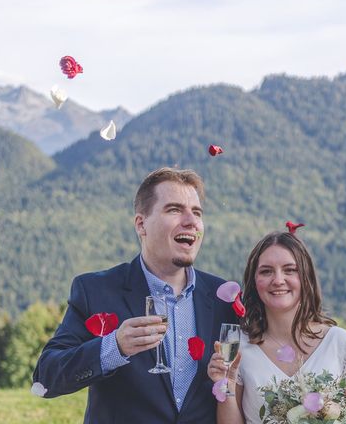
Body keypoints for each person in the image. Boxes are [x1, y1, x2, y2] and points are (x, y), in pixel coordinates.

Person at [33, 167, 237, 423]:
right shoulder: (95, 290)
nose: (191, 221)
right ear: (141, 224)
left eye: (197, 212)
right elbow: (46, 377)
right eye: (174, 210)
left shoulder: (223, 299)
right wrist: (114, 347)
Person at [207, 231, 346, 424]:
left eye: (289, 270)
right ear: (254, 281)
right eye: (266, 271)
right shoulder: (238, 346)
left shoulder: (342, 342)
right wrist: (224, 386)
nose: (278, 280)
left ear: (305, 278)